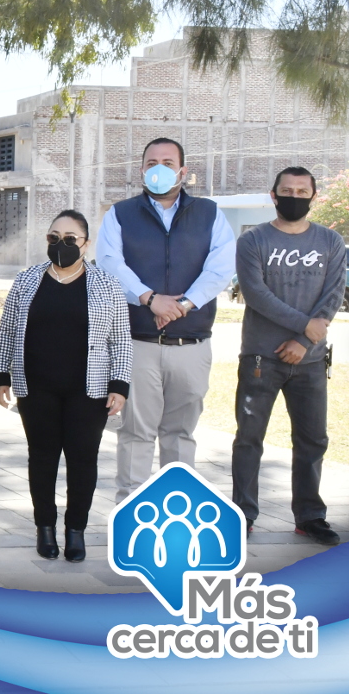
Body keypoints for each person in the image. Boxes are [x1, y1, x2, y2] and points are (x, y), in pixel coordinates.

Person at [98, 137, 235, 501]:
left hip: (192, 344)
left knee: (180, 435)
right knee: (135, 433)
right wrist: (150, 299)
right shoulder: (120, 214)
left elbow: (221, 267)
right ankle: (130, 512)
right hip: (137, 343)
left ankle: (177, 512)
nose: (159, 168)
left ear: (182, 171)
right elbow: (110, 263)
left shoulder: (209, 213)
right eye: (151, 162)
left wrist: (183, 305)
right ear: (141, 170)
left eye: (168, 162)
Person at [0, 210, 132, 561]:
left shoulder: (107, 284)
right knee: (42, 459)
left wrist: (120, 384)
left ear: (86, 244)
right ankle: (45, 528)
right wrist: (0, 374)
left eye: (70, 239)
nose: (61, 244)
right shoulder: (27, 280)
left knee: (83, 460)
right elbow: (7, 329)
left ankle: (75, 531)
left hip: (89, 390)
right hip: (36, 388)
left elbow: (120, 339)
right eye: (54, 238)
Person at [231, 167, 347, 546]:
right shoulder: (253, 241)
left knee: (313, 440)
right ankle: (243, 515)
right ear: (273, 195)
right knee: (249, 439)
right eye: (287, 190)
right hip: (260, 360)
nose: (294, 196)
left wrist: (304, 341)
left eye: (301, 191)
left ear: (313, 196)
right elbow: (256, 294)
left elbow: (333, 294)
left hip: (310, 362)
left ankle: (310, 516)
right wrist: (305, 326)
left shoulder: (330, 241)